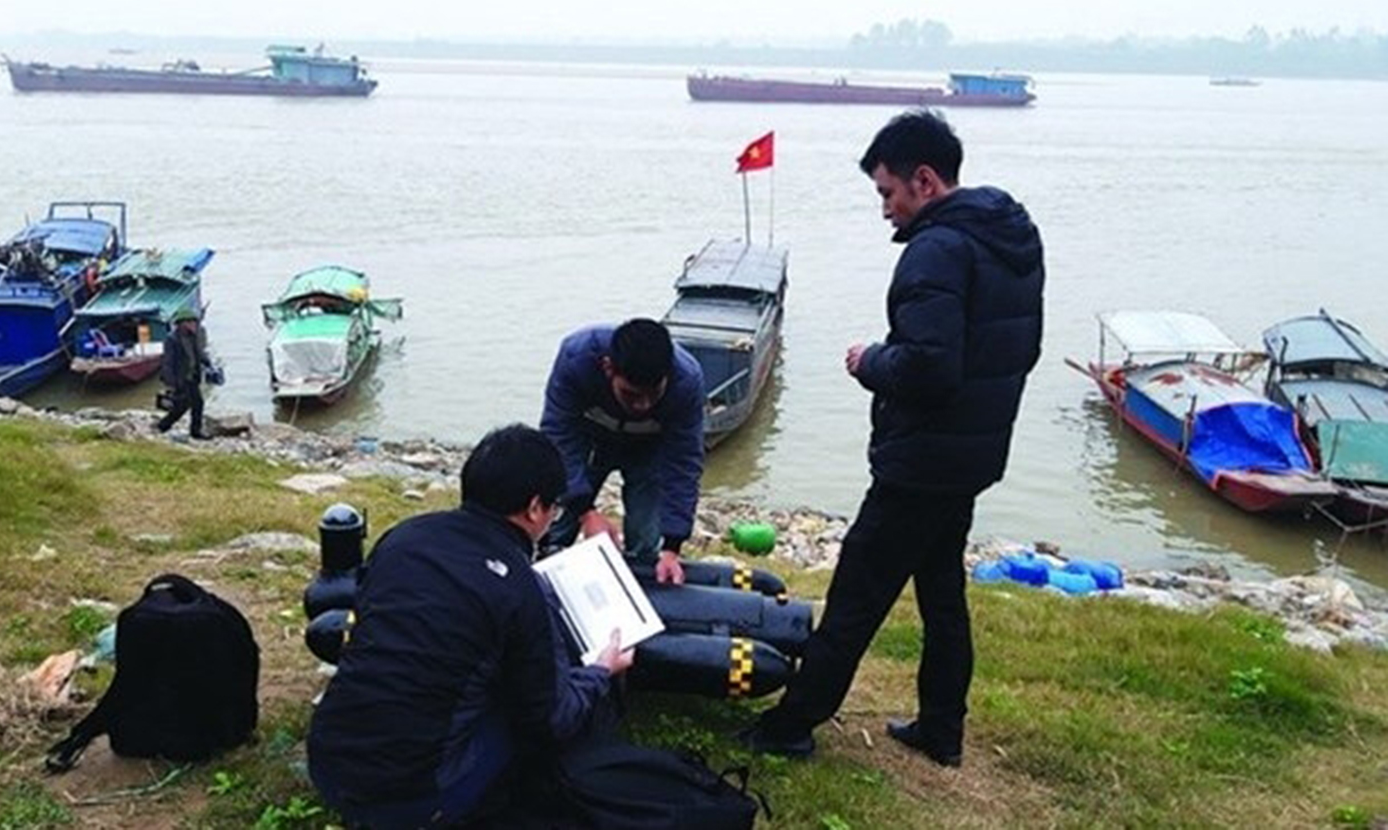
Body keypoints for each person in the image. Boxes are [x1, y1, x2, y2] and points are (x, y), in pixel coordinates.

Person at [742, 110, 1044, 766]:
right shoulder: (1011, 238)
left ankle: (792, 723)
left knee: (856, 595)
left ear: (926, 181)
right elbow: (1023, 347)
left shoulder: (936, 249)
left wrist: (869, 360)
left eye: (887, 193)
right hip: (972, 454)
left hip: (923, 462)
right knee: (941, 593)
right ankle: (942, 728)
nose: (884, 210)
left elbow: (930, 367)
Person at [307, 424, 635, 829]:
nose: (553, 517)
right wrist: (602, 672)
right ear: (535, 508)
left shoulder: (403, 537)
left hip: (329, 763)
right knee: (523, 718)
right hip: (414, 799)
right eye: (556, 508)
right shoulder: (520, 586)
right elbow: (551, 719)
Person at [540, 318, 705, 585]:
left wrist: (673, 546)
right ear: (608, 368)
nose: (642, 405)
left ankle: (638, 589)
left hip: (650, 447)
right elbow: (558, 435)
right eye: (631, 394)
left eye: (653, 395)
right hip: (589, 438)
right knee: (557, 524)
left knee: (645, 533)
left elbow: (683, 463)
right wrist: (586, 512)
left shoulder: (687, 381)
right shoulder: (576, 357)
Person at [155, 307, 211, 439]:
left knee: (198, 403)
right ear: (182, 324)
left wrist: (208, 363)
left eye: (194, 322)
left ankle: (195, 431)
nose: (193, 325)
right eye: (190, 322)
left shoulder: (195, 336)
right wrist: (171, 383)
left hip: (193, 376)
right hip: (180, 379)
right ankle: (163, 426)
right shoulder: (172, 339)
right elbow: (168, 362)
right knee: (181, 407)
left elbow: (199, 352)